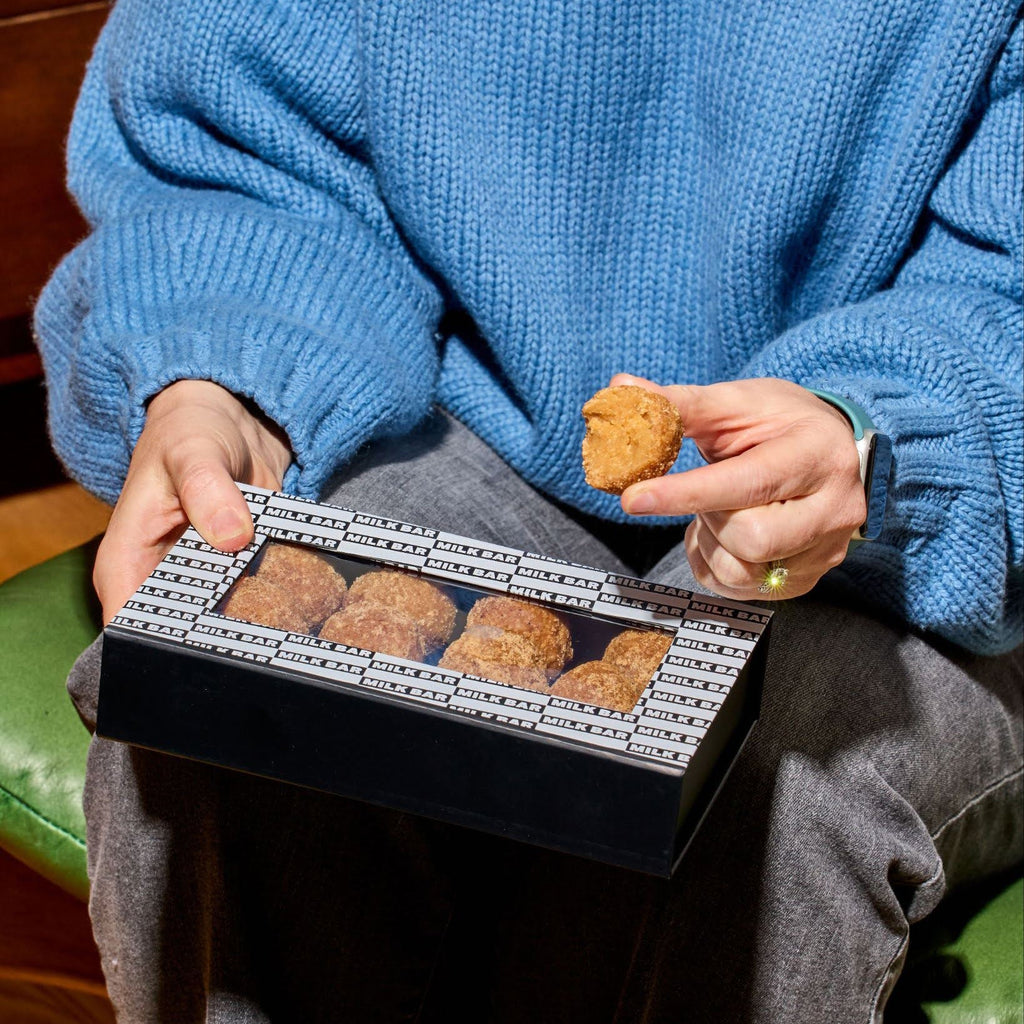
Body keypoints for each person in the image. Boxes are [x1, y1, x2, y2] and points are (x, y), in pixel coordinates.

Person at [35, 0, 1022, 1020]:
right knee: (237, 696)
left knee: (759, 784)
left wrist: (881, 436)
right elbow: (242, 147)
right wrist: (222, 374)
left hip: (936, 490)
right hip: (478, 407)